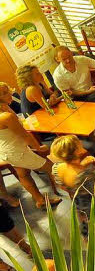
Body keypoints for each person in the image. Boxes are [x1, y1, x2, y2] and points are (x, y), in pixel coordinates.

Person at [0, 81, 59, 211]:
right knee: (52, 168)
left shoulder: (6, 109)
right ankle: (77, 192)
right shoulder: (5, 116)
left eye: (8, 90)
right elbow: (25, 135)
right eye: (5, 93)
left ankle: (40, 200)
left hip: (8, 150)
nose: (10, 93)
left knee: (23, 174)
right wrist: (38, 147)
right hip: (16, 151)